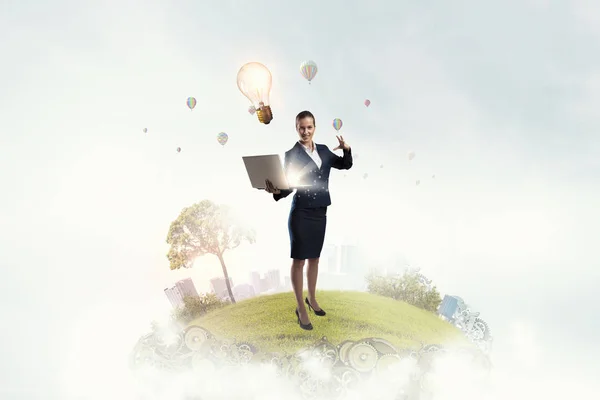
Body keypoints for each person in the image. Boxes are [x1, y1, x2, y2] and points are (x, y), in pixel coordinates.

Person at [264, 110, 353, 330]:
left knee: (315, 258)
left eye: (309, 127)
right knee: (299, 260)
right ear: (296, 128)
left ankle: (312, 300)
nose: (306, 131)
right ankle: (300, 307)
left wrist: (347, 149)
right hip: (301, 213)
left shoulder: (323, 150)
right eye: (301, 127)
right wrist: (275, 191)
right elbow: (288, 185)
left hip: (320, 212)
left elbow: (345, 165)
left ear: (315, 128)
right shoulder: (292, 155)